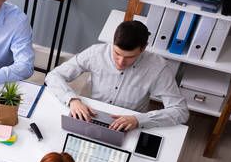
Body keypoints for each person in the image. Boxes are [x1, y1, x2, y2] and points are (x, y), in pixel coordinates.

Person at [45, 20, 189, 130]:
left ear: (143, 48)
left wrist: (139, 120)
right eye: (117, 53)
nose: (120, 62)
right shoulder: (96, 53)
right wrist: (72, 100)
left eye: (129, 57)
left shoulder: (158, 68)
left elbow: (181, 111)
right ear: (112, 43)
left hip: (130, 124)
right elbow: (53, 76)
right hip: (90, 113)